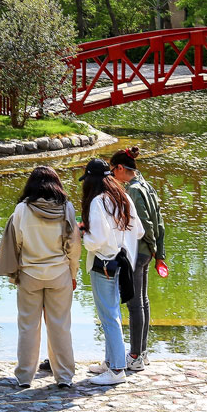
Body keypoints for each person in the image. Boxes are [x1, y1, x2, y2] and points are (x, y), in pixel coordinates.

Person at [0, 166, 81, 389]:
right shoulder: (67, 208)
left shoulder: (22, 210)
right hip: (59, 273)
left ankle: (24, 377)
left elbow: (17, 243)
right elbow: (73, 246)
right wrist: (72, 273)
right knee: (60, 325)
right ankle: (64, 376)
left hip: (30, 274)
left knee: (27, 326)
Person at [80, 158, 143, 386]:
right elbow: (139, 231)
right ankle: (110, 362)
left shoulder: (98, 201)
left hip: (104, 264)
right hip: (123, 262)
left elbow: (95, 240)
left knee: (109, 317)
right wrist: (118, 239)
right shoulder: (122, 197)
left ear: (92, 180)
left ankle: (117, 369)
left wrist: (82, 234)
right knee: (112, 313)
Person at [110, 147, 165, 372]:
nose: (112, 176)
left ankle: (134, 356)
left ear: (121, 168)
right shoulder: (147, 185)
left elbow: (145, 226)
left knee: (134, 304)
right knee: (143, 300)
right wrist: (158, 253)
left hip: (138, 250)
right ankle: (142, 352)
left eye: (113, 171)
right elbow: (160, 221)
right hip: (148, 252)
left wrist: (149, 245)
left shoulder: (133, 190)